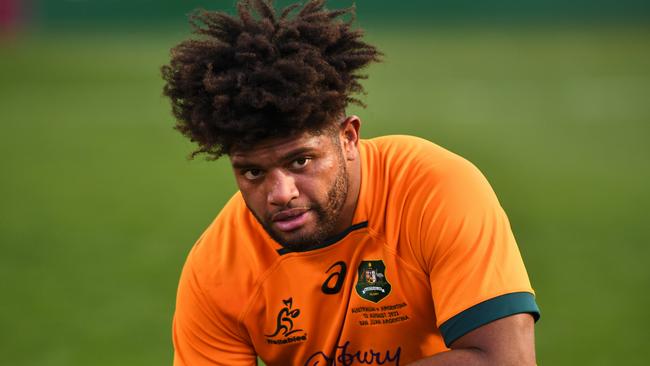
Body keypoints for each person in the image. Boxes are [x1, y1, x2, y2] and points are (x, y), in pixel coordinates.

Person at [161, 1, 540, 365]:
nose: (281, 194)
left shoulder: (437, 189)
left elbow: (507, 360)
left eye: (300, 161)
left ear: (348, 138)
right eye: (253, 172)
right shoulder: (217, 266)